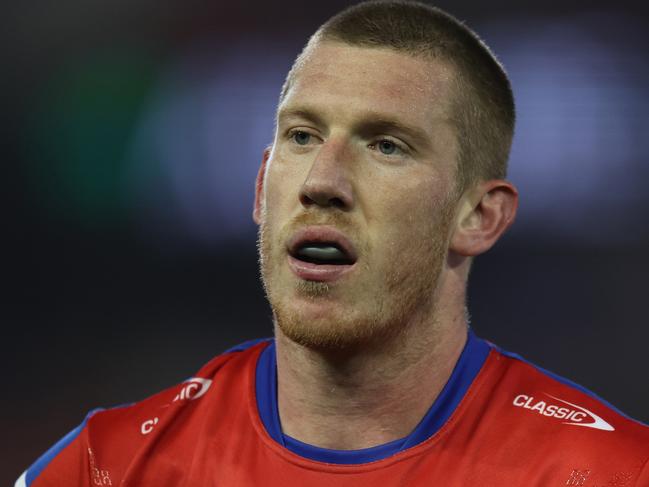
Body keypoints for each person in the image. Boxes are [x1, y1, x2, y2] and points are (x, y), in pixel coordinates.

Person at [16, 1, 649, 486]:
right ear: (263, 184)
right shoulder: (109, 465)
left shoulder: (608, 471)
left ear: (481, 216)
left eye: (387, 146)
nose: (323, 182)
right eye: (301, 137)